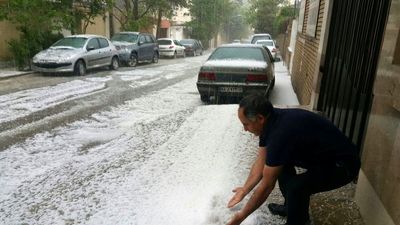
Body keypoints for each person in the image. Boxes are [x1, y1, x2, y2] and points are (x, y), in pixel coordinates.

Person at [226, 94, 361, 225]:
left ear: (260, 118)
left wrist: (240, 217)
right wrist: (244, 189)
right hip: (321, 158)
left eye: (246, 124)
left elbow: (267, 186)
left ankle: (299, 221)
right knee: (279, 165)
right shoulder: (269, 121)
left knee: (296, 187)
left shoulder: (279, 135)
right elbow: (261, 162)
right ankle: (291, 207)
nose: (244, 129)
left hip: (344, 165)